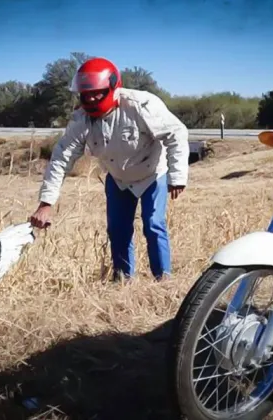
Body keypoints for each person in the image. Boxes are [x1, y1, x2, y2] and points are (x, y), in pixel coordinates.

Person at [29, 57, 190, 282]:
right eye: (86, 94)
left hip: (152, 173)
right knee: (117, 230)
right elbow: (61, 159)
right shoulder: (81, 120)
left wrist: (178, 176)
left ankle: (163, 280)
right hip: (118, 178)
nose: (92, 98)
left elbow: (176, 133)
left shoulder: (141, 105)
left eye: (98, 92)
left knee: (153, 225)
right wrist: (46, 204)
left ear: (113, 87)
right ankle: (123, 279)